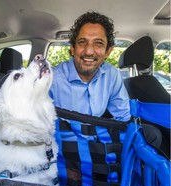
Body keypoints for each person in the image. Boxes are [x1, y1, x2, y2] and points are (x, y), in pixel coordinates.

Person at [50, 11, 162, 149]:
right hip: (63, 145)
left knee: (151, 134)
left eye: (98, 44)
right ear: (73, 48)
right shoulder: (51, 79)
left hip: (98, 139)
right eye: (82, 42)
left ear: (108, 50)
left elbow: (123, 116)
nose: (89, 51)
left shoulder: (111, 75)